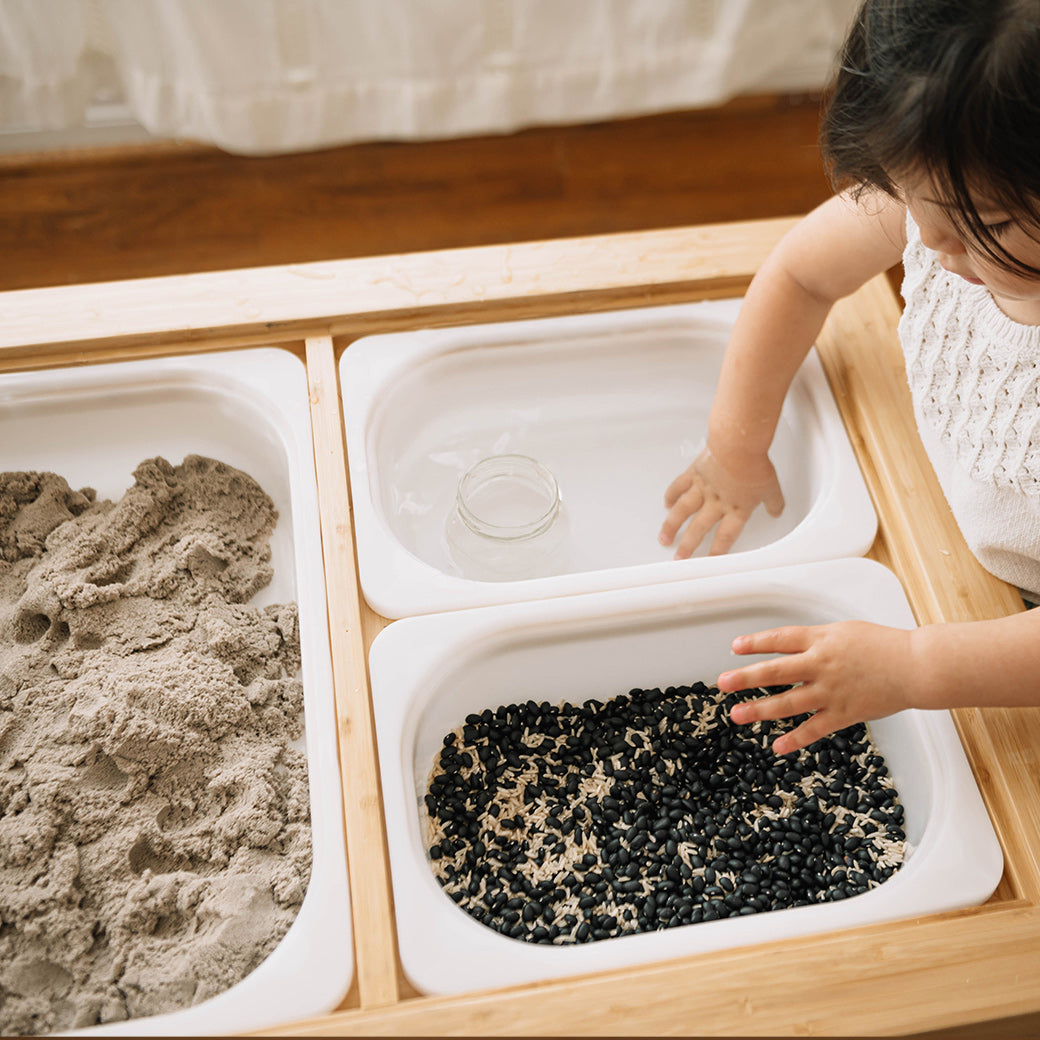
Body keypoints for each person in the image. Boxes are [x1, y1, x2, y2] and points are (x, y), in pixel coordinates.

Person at [657, 0, 1040, 755]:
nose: (927, 242)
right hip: (940, 516)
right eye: (909, 200)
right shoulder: (945, 192)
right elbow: (801, 275)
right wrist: (737, 442)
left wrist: (915, 666)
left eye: (984, 225)